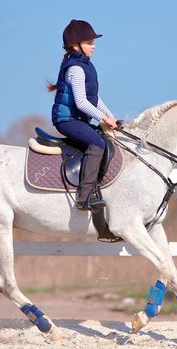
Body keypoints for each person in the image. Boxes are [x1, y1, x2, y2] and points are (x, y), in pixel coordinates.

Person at [48, 19, 117, 211]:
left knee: (104, 138)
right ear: (74, 45)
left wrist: (112, 117)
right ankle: (84, 196)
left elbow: (94, 98)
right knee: (97, 144)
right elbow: (81, 103)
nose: (93, 47)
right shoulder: (76, 69)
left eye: (93, 43)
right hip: (66, 120)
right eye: (89, 43)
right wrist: (103, 119)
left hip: (79, 119)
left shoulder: (86, 65)